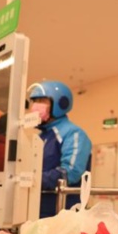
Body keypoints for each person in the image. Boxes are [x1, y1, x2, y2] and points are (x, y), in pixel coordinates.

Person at [27, 81, 92, 218]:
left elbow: (71, 172)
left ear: (60, 104)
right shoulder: (41, 137)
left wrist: (34, 179)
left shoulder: (73, 133)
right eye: (34, 101)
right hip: (37, 210)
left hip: (63, 212)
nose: (35, 105)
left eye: (42, 100)